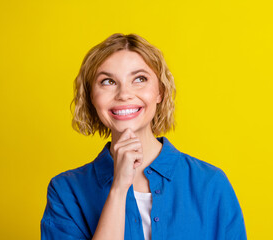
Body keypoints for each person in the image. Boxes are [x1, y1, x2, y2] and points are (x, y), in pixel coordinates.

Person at [41, 33, 247, 240]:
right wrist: (118, 189)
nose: (124, 94)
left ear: (160, 92)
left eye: (139, 79)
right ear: (91, 97)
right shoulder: (66, 191)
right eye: (108, 81)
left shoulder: (210, 183)